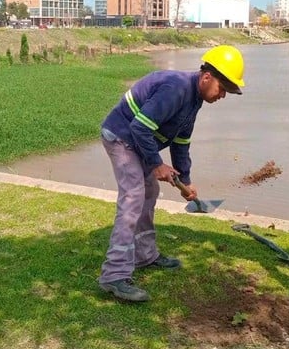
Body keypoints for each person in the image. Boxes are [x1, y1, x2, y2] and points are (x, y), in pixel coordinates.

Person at [98, 45, 245, 302]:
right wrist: (156, 164)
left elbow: (181, 142)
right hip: (122, 136)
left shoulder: (194, 100)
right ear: (207, 77)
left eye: (228, 92)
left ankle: (145, 255)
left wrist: (185, 180)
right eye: (223, 88)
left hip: (137, 141)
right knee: (133, 197)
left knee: (149, 193)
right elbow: (140, 127)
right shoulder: (176, 88)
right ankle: (114, 275)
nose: (223, 95)